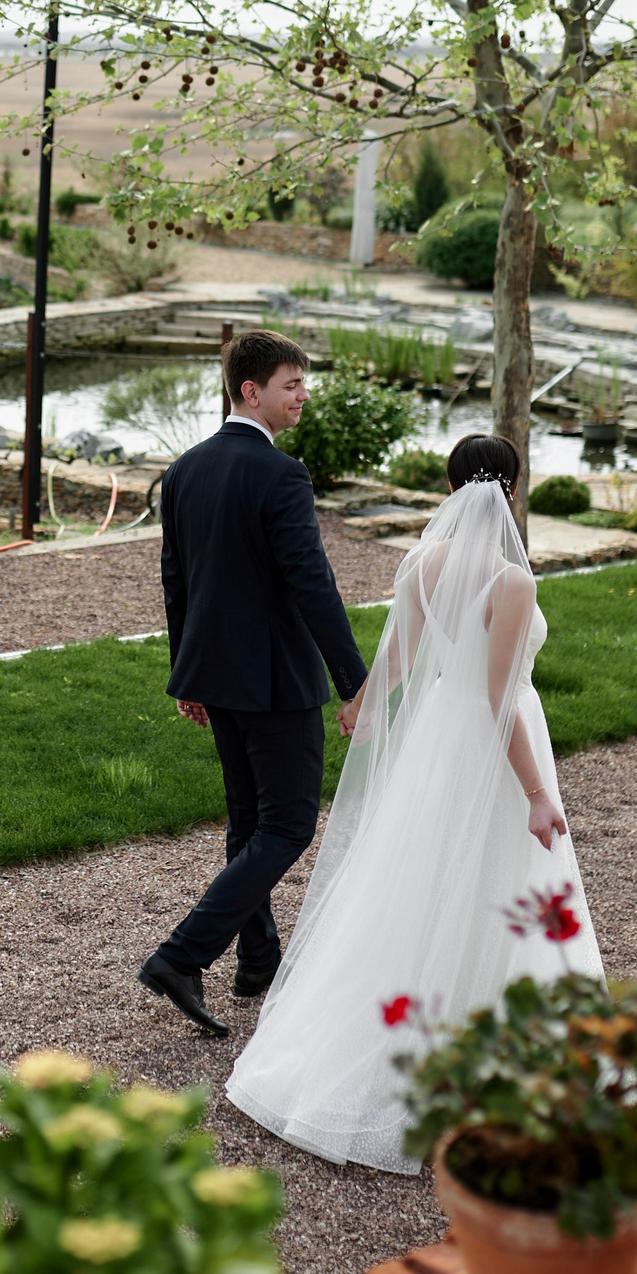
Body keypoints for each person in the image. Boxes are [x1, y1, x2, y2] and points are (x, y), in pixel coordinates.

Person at [225, 433, 600, 1171]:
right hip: (496, 745)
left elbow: (397, 655)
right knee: (502, 882)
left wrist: (364, 703)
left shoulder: (424, 564)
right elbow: (500, 698)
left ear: (451, 489)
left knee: (426, 882)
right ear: (512, 492)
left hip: (437, 737)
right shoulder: (511, 583)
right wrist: (534, 793)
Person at [139, 328, 371, 1039]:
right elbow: (312, 583)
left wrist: (189, 670)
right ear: (252, 391)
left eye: (303, 383)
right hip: (274, 681)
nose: (303, 395)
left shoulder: (184, 471)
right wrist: (354, 682)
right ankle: (181, 955)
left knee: (250, 824)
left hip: (218, 674)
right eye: (291, 384)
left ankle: (258, 961)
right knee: (289, 824)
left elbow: (176, 583)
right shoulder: (281, 475)